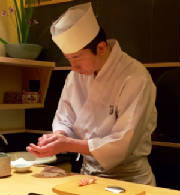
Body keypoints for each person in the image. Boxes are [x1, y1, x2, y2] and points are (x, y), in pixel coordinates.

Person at [26, 2, 157, 185]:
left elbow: (122, 144)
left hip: (130, 180)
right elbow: (65, 118)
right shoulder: (75, 76)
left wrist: (67, 144)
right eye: (69, 59)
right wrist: (59, 136)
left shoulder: (135, 77)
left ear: (101, 48)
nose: (73, 67)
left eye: (77, 58)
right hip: (87, 177)